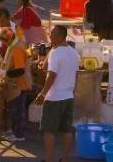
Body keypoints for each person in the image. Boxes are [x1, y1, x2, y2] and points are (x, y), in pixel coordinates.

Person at [36, 24, 79, 162]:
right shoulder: (73, 52)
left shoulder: (56, 53)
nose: (50, 36)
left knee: (49, 130)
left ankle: (49, 159)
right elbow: (76, 75)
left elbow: (51, 75)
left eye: (53, 34)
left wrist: (42, 94)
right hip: (69, 96)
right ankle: (65, 158)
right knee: (66, 130)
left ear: (60, 36)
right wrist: (73, 90)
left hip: (55, 97)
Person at [0, 27, 29, 142]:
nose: (3, 43)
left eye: (4, 41)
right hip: (15, 84)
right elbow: (11, 63)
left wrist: (5, 72)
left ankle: (19, 134)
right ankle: (14, 132)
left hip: (20, 85)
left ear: (9, 39)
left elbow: (20, 70)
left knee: (18, 111)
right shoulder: (12, 46)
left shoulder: (17, 49)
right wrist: (1, 62)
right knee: (15, 110)